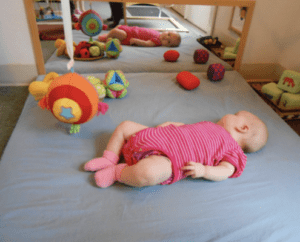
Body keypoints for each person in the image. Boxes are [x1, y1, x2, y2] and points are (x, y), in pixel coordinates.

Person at [84, 111, 268, 188]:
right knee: (125, 126)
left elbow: (226, 171)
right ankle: (109, 158)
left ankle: (117, 172)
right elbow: (186, 127)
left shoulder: (233, 150)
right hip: (156, 136)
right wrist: (170, 124)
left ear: (243, 128)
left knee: (148, 172)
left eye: (235, 115)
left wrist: (204, 170)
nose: (229, 114)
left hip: (167, 159)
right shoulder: (210, 126)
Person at [98, 25, 181, 47]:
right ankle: (111, 36)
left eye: (168, 41)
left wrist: (136, 41)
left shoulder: (157, 41)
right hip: (130, 29)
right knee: (118, 28)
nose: (166, 37)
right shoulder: (157, 33)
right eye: (168, 34)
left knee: (115, 31)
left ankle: (107, 38)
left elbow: (147, 43)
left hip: (128, 36)